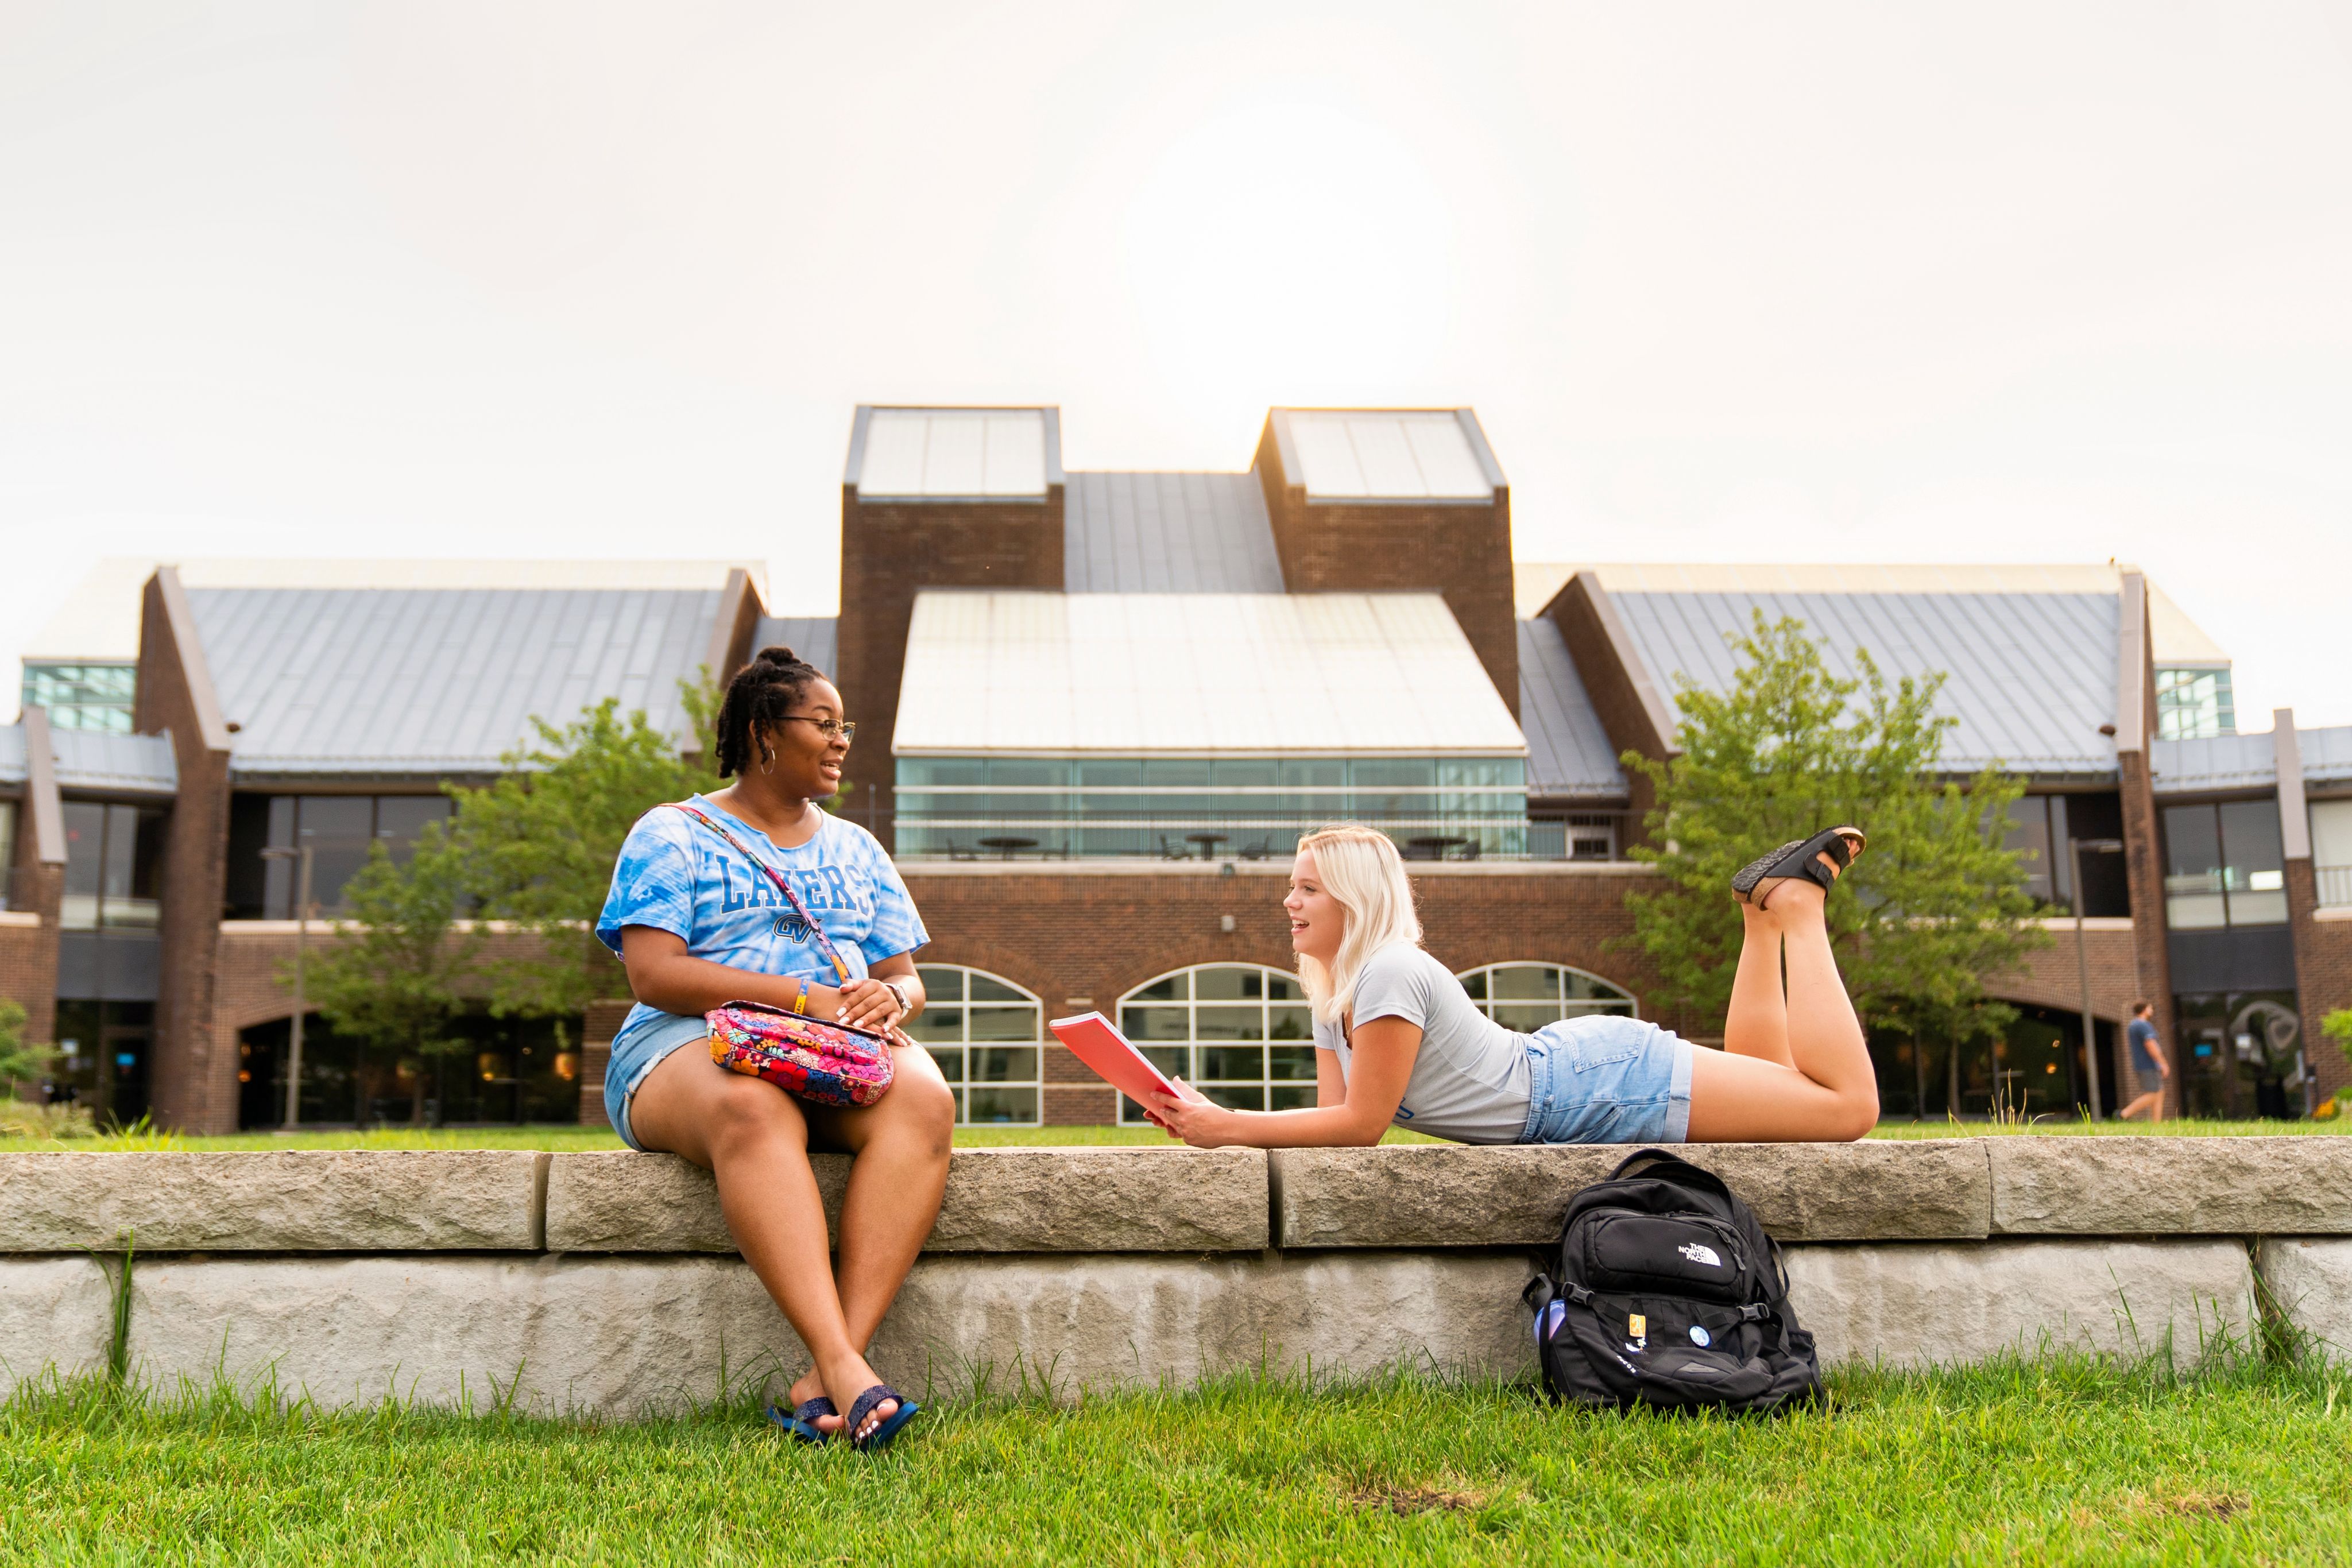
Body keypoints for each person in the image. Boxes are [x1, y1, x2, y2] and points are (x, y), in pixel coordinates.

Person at [596, 646, 952, 1451]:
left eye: (844, 727)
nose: (839, 742)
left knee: (927, 1098)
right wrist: (800, 996)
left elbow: (907, 978)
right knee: (753, 1108)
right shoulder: (673, 832)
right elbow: (653, 972)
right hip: (686, 1047)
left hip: (830, 1053)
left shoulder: (859, 847)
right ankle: (848, 1369)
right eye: (822, 724)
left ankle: (832, 1370)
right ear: (763, 732)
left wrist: (890, 996)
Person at [1143, 823, 1880, 1148]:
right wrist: (1208, 1119)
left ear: (1353, 900)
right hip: (1573, 1082)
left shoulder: (1391, 971)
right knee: (1777, 1083)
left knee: (1846, 1107)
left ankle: (1798, 911)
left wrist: (1229, 1125)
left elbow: (1361, 1124)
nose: (1287, 903)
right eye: (1289, 888)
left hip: (1595, 1088)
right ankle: (1759, 918)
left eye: (1306, 889)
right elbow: (1335, 1130)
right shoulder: (1336, 996)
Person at [2118, 1000, 2169, 1122]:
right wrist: (2163, 1063)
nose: (2152, 1011)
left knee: (2160, 1092)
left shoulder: (2133, 1025)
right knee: (2153, 1094)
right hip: (2149, 1065)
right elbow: (2151, 1044)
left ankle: (2157, 1123)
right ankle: (2123, 1114)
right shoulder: (2143, 1025)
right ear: (2145, 1009)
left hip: (2142, 1064)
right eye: (2150, 1008)